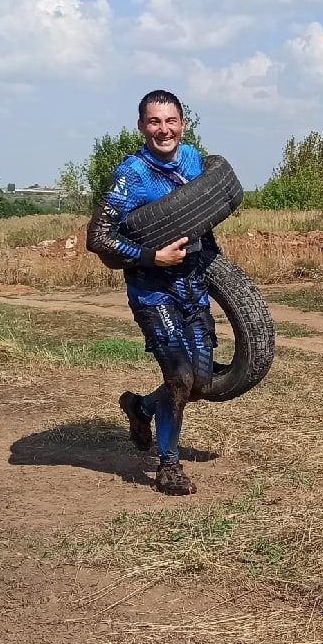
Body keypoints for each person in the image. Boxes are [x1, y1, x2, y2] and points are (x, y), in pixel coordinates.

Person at [86, 90, 216, 496]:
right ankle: (168, 466)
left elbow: (207, 210)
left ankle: (140, 408)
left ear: (183, 123)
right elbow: (98, 237)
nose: (164, 130)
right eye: (154, 122)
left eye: (171, 121)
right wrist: (152, 256)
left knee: (200, 381)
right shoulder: (132, 176)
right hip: (152, 290)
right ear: (142, 126)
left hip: (192, 287)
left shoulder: (194, 160)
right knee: (179, 376)